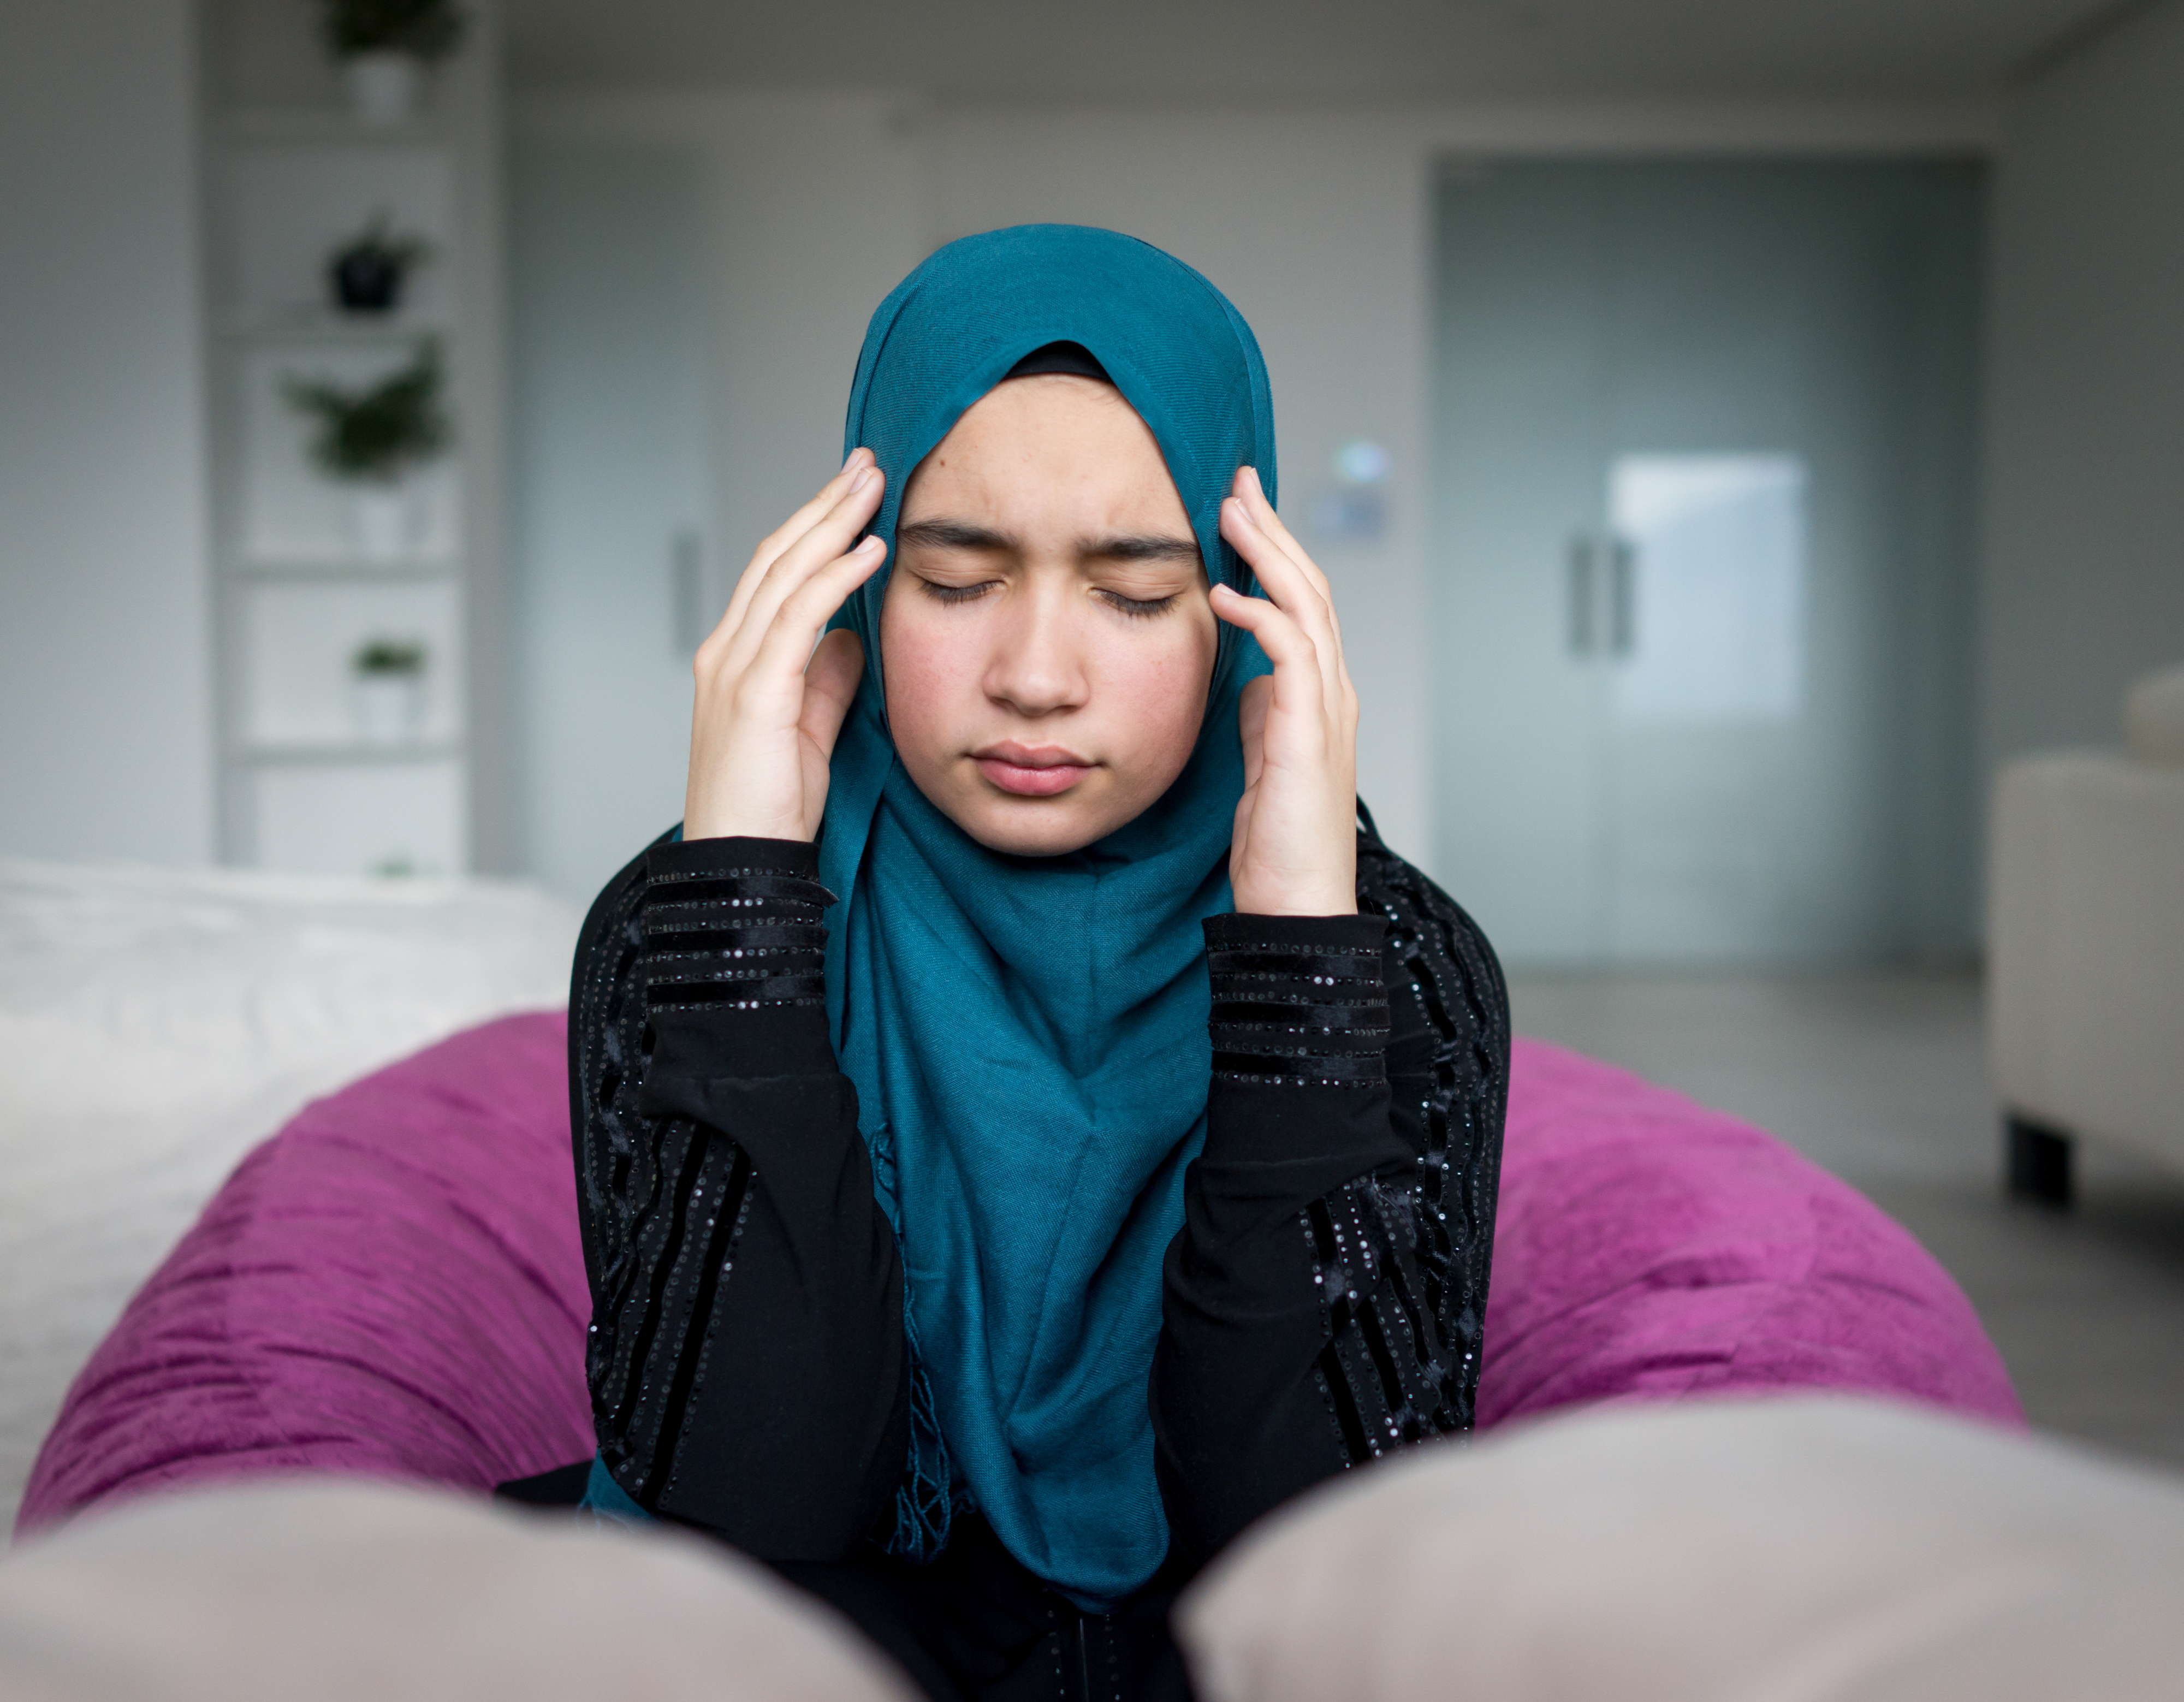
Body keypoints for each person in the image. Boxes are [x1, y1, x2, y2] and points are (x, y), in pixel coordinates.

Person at [558, 226, 1508, 1702]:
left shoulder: (1401, 958)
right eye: (952, 582)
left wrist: (1299, 954)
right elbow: (739, 1506)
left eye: (1135, 594)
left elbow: (1328, 1536)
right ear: (852, 593)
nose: (1038, 677)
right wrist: (741, 880)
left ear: (1244, 612)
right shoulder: (675, 928)